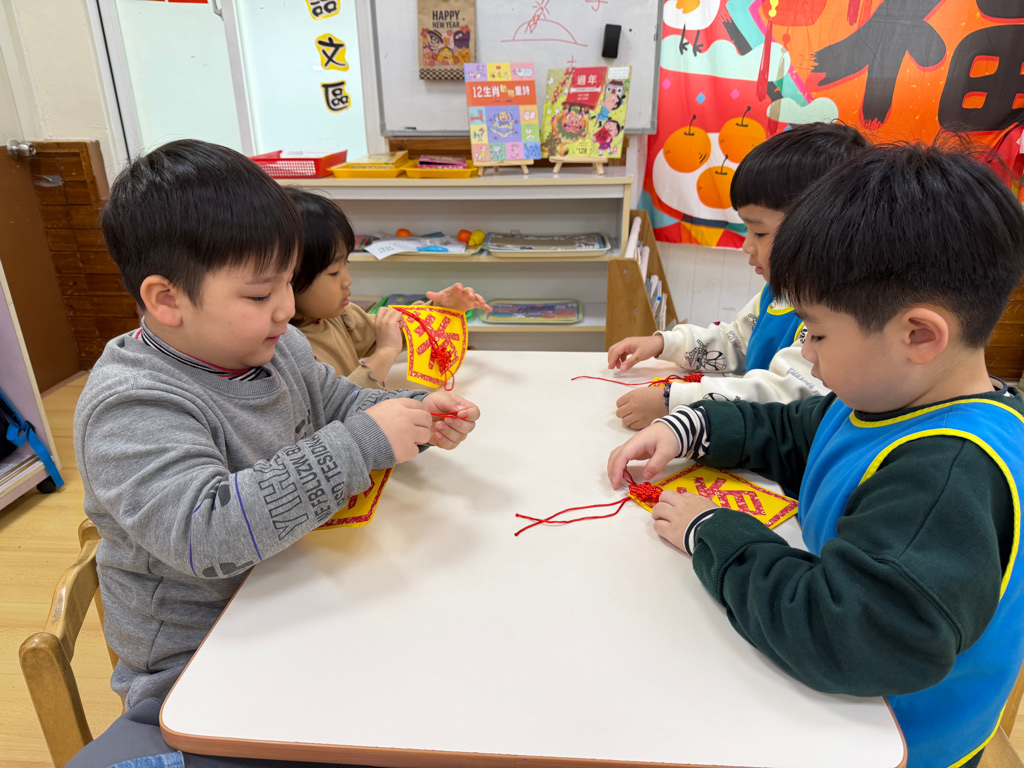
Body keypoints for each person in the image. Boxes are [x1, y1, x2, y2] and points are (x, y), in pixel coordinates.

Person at [607, 144, 1024, 768]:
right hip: (834, 713)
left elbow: (843, 633)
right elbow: (791, 430)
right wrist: (691, 427)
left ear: (918, 335)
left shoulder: (949, 471)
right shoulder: (885, 401)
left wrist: (712, 532)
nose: (806, 355)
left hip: (893, 740)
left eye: (818, 334)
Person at [70, 139, 480, 767]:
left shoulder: (277, 346)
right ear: (166, 300)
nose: (287, 309)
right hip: (199, 666)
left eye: (288, 282)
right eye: (260, 295)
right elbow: (206, 532)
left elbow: (338, 403)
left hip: (299, 593)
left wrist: (413, 411)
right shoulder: (132, 405)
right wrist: (363, 443)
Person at [608, 122, 868, 430]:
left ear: (820, 229)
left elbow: (783, 393)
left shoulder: (834, 314)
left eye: (759, 232)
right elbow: (736, 342)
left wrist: (674, 400)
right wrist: (665, 344)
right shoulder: (778, 292)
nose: (746, 245)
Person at [285, 187, 491, 389]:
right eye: (333, 272)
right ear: (288, 280)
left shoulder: (338, 317)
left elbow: (396, 329)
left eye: (345, 264)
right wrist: (385, 351)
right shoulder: (291, 355)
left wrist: (442, 308)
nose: (348, 280)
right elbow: (342, 404)